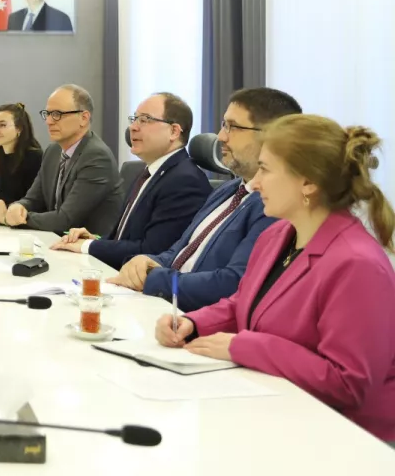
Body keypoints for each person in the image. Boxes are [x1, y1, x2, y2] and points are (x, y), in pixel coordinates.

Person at [156, 115, 395, 443]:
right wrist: (193, 324)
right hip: (282, 412)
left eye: (265, 170)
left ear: (307, 182)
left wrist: (244, 347)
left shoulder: (358, 264)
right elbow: (245, 303)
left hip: (348, 438)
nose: (255, 184)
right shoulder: (277, 235)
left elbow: (348, 383)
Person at [109, 88, 302, 310]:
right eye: (223, 125)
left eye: (232, 127)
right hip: (164, 306)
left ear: (272, 136)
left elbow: (232, 284)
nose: (221, 136)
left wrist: (155, 278)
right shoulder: (227, 190)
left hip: (190, 316)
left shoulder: (272, 205)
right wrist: (147, 262)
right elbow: (179, 250)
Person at [52, 93, 211, 268]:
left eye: (144, 120)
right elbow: (126, 238)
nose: (133, 128)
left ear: (173, 131)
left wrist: (88, 246)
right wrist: (95, 240)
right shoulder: (147, 172)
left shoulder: (184, 181)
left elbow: (152, 252)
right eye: (134, 119)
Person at [0, 85, 123, 236]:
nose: (49, 121)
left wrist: (10, 218)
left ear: (83, 118)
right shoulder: (53, 151)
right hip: (55, 239)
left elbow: (65, 220)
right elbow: (33, 199)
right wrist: (18, 207)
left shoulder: (96, 157)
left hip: (87, 246)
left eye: (57, 114)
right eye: (47, 114)